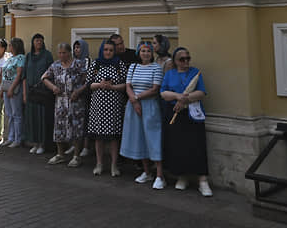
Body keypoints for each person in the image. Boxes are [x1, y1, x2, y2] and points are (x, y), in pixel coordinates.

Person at [160, 47, 213, 196]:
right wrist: (178, 97)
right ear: (175, 61)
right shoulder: (170, 74)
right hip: (175, 113)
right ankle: (182, 177)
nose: (185, 62)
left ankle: (202, 180)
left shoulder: (195, 72)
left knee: (197, 146)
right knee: (179, 146)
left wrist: (185, 100)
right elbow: (163, 92)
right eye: (182, 59)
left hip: (192, 114)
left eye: (188, 58)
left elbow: (201, 92)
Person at [121, 42, 165, 189]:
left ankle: (159, 175)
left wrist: (137, 98)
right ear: (139, 53)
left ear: (152, 53)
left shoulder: (156, 68)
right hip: (133, 106)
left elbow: (155, 89)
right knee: (139, 138)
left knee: (153, 138)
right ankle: (147, 172)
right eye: (143, 51)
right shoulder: (133, 67)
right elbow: (128, 86)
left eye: (148, 51)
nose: (145, 53)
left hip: (149, 106)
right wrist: (133, 101)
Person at [42, 42, 88, 167]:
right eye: (60, 53)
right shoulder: (55, 65)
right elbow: (44, 78)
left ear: (69, 53)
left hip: (75, 101)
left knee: (76, 127)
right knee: (59, 127)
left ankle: (76, 156)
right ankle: (60, 154)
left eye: (64, 53)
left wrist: (78, 91)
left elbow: (87, 81)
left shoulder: (78, 64)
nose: (62, 55)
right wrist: (53, 87)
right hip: (61, 101)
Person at [86, 39, 128, 177]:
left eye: (110, 50)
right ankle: (99, 164)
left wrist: (112, 87)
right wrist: (100, 85)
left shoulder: (119, 64)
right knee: (99, 137)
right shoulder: (96, 64)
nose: (108, 52)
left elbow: (125, 85)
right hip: (98, 106)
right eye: (106, 50)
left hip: (113, 107)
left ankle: (114, 165)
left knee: (113, 138)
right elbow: (89, 85)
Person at [23, 33, 54, 155]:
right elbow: (24, 76)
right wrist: (25, 94)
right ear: (32, 42)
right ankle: (34, 143)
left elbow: (51, 73)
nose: (38, 43)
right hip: (31, 92)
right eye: (36, 41)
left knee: (42, 118)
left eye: (40, 41)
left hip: (43, 92)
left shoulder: (47, 55)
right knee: (32, 118)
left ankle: (42, 144)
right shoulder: (29, 56)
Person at [1, 37, 26, 148]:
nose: (9, 47)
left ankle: (18, 138)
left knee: (17, 114)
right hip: (6, 87)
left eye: (11, 45)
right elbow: (4, 74)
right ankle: (10, 137)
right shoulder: (10, 58)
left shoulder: (21, 58)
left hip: (15, 88)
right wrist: (3, 89)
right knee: (9, 114)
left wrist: (11, 88)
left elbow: (19, 74)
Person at [72, 39, 92, 157]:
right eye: (75, 48)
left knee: (85, 121)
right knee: (74, 121)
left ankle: (86, 146)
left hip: (84, 94)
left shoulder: (87, 61)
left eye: (79, 47)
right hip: (73, 94)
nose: (76, 50)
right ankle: (75, 146)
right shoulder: (72, 61)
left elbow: (86, 77)